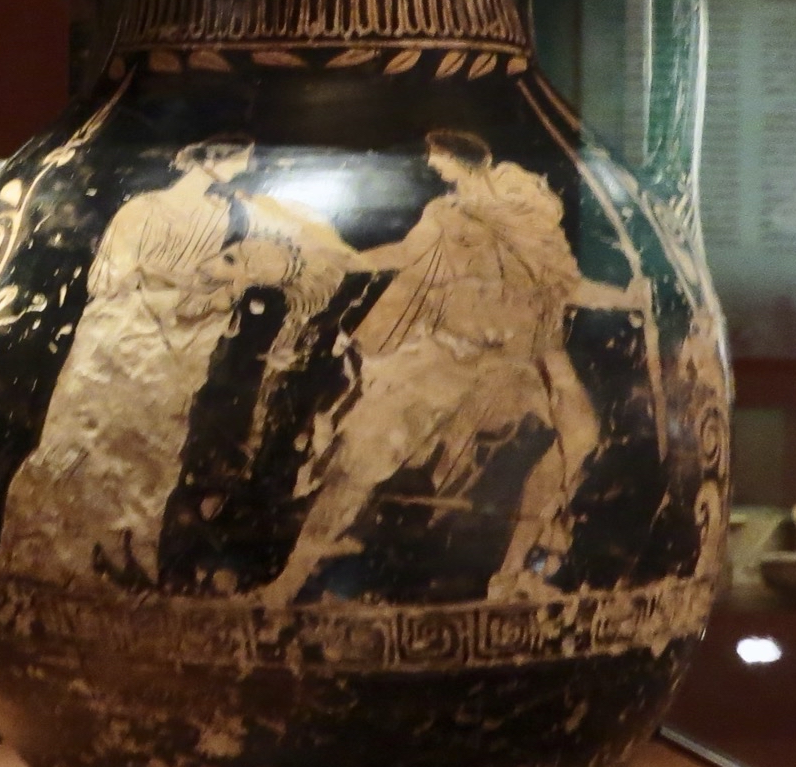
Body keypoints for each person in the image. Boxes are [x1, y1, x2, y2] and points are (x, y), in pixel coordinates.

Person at [260, 129, 648, 606]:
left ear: (454, 160)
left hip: (513, 368)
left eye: (437, 161)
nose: (435, 169)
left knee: (578, 438)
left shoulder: (528, 222)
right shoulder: (445, 216)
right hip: (445, 358)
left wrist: (625, 298)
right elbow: (404, 256)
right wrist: (350, 260)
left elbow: (566, 285)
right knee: (362, 459)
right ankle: (290, 581)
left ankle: (513, 572)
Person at [0, 138, 329, 585]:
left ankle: (128, 561)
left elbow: (296, 249)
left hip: (179, 357)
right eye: (239, 152)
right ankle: (37, 557)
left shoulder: (228, 217)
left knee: (152, 459)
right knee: (77, 448)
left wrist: (271, 275)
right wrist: (194, 284)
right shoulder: (143, 210)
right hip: (116, 349)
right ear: (207, 157)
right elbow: (109, 280)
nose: (249, 161)